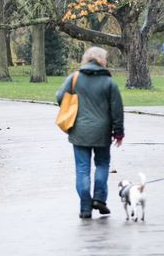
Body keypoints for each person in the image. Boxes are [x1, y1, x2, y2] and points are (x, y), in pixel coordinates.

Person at [56, 47, 124, 219]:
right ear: (102, 60)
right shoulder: (109, 82)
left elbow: (59, 97)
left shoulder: (75, 78)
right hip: (102, 131)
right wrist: (118, 132)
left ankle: (85, 206)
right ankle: (100, 198)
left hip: (79, 130)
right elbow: (117, 109)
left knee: (82, 169)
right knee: (102, 164)